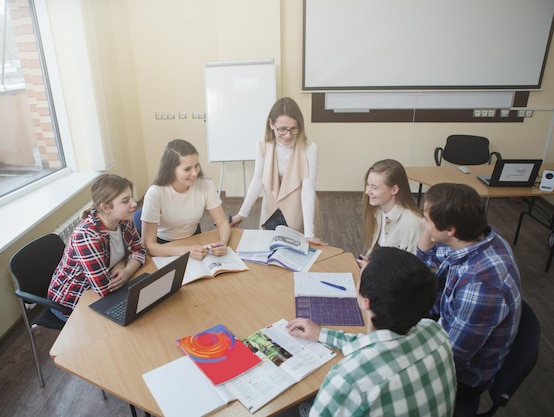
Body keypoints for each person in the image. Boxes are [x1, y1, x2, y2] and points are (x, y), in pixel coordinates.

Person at [287, 247, 457, 417]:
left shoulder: (349, 381)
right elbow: (381, 343)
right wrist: (322, 334)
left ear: (366, 302)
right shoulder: (435, 331)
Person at [416, 183, 522, 416]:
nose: (422, 222)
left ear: (451, 230)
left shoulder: (481, 285)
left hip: (463, 378)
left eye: (426, 218)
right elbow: (429, 257)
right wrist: (431, 228)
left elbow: (452, 360)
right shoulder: (478, 238)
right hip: (444, 328)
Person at [48, 174, 146, 321]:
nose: (134, 203)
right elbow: (104, 288)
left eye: (131, 197)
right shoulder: (86, 235)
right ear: (106, 208)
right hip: (73, 300)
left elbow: (139, 251)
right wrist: (123, 262)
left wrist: (125, 271)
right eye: (126, 201)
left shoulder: (124, 220)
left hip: (104, 288)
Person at [229, 97, 326, 245]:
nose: (287, 135)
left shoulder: (309, 149)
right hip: (272, 210)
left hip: (298, 211)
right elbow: (257, 180)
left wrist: (309, 233)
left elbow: (308, 190)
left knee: (297, 255)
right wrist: (242, 214)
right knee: (268, 251)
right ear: (271, 124)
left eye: (293, 129)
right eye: (282, 129)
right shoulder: (263, 146)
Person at [140, 139, 231, 260]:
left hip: (194, 239)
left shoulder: (206, 185)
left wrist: (223, 242)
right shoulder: (155, 193)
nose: (194, 173)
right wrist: (185, 250)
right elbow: (149, 246)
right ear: (171, 170)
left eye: (196, 166)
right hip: (165, 246)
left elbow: (223, 223)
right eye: (187, 169)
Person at [357, 159, 423, 268]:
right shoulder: (378, 211)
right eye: (368, 185)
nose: (367, 192)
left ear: (394, 189)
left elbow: (411, 272)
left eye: (375, 188)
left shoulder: (412, 223)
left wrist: (372, 268)